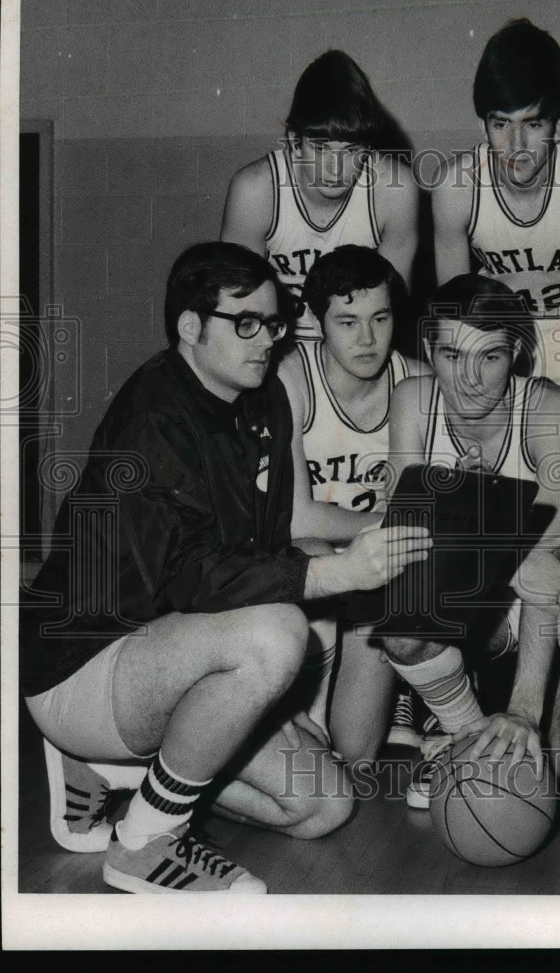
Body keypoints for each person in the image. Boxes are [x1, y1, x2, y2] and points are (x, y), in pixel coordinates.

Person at [19, 242, 430, 894]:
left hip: (171, 655)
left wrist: (257, 701)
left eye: (272, 322)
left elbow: (262, 545)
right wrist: (333, 577)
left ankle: (120, 773)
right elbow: (189, 580)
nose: (266, 339)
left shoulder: (260, 400)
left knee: (321, 804)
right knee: (275, 632)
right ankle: (146, 838)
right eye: (245, 323)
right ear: (191, 326)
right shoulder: (154, 418)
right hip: (82, 661)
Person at [380, 274, 560, 811]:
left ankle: (508, 710)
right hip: (479, 606)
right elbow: (402, 542)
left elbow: (549, 567)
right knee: (400, 617)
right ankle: (467, 733)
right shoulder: (413, 400)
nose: (469, 379)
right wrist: (490, 536)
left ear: (515, 352)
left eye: (489, 358)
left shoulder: (552, 411)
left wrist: (524, 710)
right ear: (429, 349)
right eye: (451, 355)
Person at [432, 19, 560, 414]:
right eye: (500, 123)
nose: (516, 145)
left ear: (559, 125)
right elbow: (459, 319)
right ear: (482, 124)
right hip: (503, 354)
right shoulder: (456, 190)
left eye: (532, 124)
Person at [278, 244, 430, 755]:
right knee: (312, 547)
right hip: (314, 571)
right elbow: (299, 517)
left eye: (380, 318)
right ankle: (305, 710)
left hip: (383, 572)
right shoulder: (291, 378)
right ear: (317, 321)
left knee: (357, 753)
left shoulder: (420, 382)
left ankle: (410, 689)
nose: (367, 339)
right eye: (347, 322)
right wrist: (387, 521)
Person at [221, 49, 419, 341]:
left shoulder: (394, 191)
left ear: (368, 146)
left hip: (355, 350)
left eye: (351, 150)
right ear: (294, 141)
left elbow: (390, 314)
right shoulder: (256, 191)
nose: (336, 168)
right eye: (322, 148)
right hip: (276, 350)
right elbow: (238, 311)